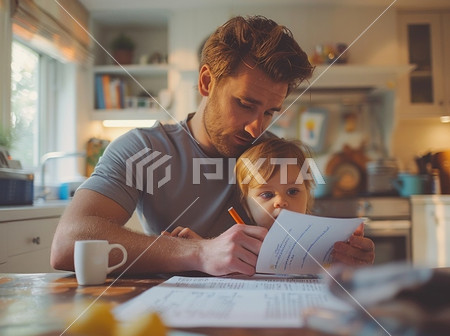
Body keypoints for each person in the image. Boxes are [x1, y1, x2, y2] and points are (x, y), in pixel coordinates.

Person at [51, 15, 374, 276]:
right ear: (207, 82)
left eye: (270, 112)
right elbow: (68, 244)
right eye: (246, 104)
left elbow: (298, 245)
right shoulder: (143, 150)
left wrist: (340, 255)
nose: (256, 127)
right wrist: (198, 252)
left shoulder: (276, 156)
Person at [170, 138, 374, 266]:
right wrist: (198, 247)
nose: (281, 201)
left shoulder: (324, 243)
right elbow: (215, 258)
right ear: (246, 204)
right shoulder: (239, 243)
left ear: (308, 194)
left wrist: (351, 256)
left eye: (293, 191)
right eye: (267, 195)